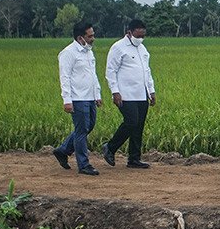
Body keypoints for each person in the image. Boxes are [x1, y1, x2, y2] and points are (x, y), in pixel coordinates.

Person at [102, 19, 156, 169]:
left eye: (143, 36)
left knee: (138, 126)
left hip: (141, 93)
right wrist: (115, 92)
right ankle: (110, 147)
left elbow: (147, 71)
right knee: (131, 121)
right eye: (138, 36)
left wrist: (151, 91)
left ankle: (134, 158)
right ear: (129, 33)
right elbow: (110, 71)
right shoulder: (118, 47)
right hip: (125, 94)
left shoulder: (143, 49)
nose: (140, 39)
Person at [53, 22, 102, 176]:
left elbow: (92, 75)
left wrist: (97, 94)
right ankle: (84, 164)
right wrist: (67, 100)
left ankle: (63, 150)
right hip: (77, 98)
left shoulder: (88, 52)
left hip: (89, 96)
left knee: (89, 126)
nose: (93, 38)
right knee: (81, 130)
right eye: (90, 36)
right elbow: (65, 77)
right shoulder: (68, 53)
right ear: (81, 37)